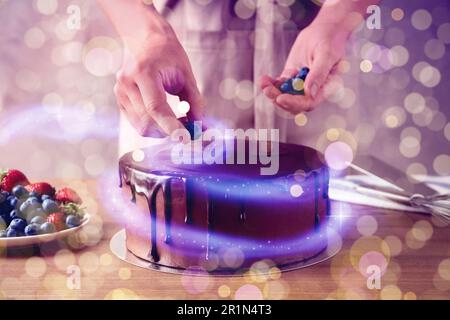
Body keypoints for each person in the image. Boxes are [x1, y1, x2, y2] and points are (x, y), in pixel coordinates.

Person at [97, 0, 379, 155]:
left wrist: (339, 17)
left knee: (319, 234)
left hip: (316, 59)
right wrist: (145, 34)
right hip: (179, 52)